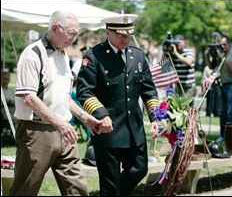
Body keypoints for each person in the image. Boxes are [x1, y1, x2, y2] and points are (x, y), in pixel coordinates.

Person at [10, 10, 107, 196]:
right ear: (55, 28)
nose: (74, 38)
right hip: (36, 132)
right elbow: (28, 97)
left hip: (64, 130)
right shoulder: (33, 54)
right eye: (71, 33)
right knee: (25, 189)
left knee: (77, 188)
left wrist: (85, 118)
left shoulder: (63, 55)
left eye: (76, 33)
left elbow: (64, 96)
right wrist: (59, 123)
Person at [76, 14, 159, 196]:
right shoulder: (93, 56)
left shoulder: (137, 55)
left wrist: (155, 117)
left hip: (134, 131)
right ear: (108, 32)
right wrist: (101, 114)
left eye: (128, 35)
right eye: (120, 34)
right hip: (108, 131)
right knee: (110, 183)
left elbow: (149, 90)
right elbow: (84, 91)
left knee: (139, 169)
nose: (125, 38)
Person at [215, 36, 232, 142]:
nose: (222, 47)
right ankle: (223, 135)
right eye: (221, 45)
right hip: (224, 85)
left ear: (229, 44)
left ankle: (231, 136)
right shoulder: (222, 55)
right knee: (222, 112)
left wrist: (221, 57)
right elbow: (212, 65)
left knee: (230, 113)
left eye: (224, 44)